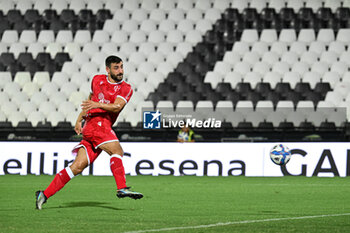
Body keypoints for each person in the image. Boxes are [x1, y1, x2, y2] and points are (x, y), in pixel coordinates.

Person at [35, 55, 143, 210]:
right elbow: (90, 100)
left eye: (121, 67)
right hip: (97, 125)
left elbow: (117, 106)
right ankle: (122, 188)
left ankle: (44, 194)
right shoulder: (97, 79)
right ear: (108, 69)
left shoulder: (126, 88)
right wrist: (80, 118)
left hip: (96, 128)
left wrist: (92, 107)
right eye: (116, 68)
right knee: (117, 151)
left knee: (77, 167)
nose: (120, 71)